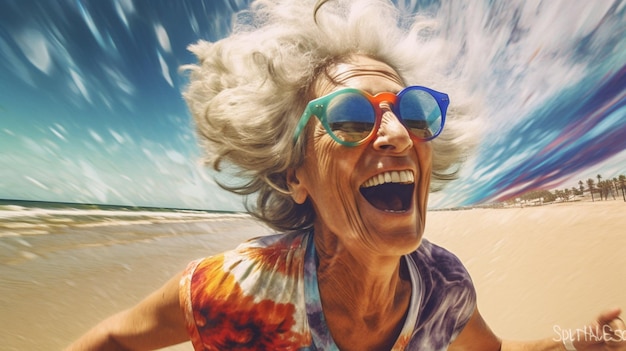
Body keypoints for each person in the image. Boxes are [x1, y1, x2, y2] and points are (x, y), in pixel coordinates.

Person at [66, 0, 625, 350]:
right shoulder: (238, 289)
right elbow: (117, 337)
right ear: (295, 177)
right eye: (352, 117)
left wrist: (581, 343)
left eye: (412, 112)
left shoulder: (442, 287)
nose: (399, 135)